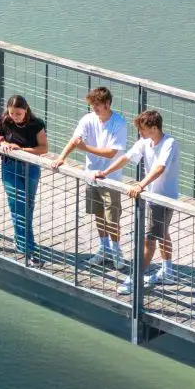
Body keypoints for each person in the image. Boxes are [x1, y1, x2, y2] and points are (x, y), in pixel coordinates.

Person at [51, 86, 133, 267]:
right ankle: (104, 249)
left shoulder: (119, 123)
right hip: (91, 175)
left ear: (107, 103)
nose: (94, 108)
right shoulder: (88, 119)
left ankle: (116, 251)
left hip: (110, 178)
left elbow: (112, 153)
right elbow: (75, 140)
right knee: (98, 214)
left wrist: (85, 148)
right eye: (92, 104)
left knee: (112, 218)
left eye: (97, 104)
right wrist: (62, 157)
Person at [114, 109, 180, 284]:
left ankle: (134, 280)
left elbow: (160, 168)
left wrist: (140, 185)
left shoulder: (169, 143)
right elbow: (126, 157)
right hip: (152, 197)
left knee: (149, 240)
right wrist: (104, 173)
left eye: (142, 129)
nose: (140, 132)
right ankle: (167, 271)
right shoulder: (145, 142)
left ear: (154, 128)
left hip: (163, 198)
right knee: (163, 233)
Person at [0, 94, 48, 261]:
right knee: (18, 205)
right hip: (9, 167)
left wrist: (21, 150)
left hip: (31, 168)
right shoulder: (3, 120)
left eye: (18, 114)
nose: (15, 117)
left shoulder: (36, 124)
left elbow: (43, 148)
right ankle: (28, 249)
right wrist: (1, 142)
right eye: (12, 113)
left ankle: (21, 240)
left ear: (26, 110)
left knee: (27, 206)